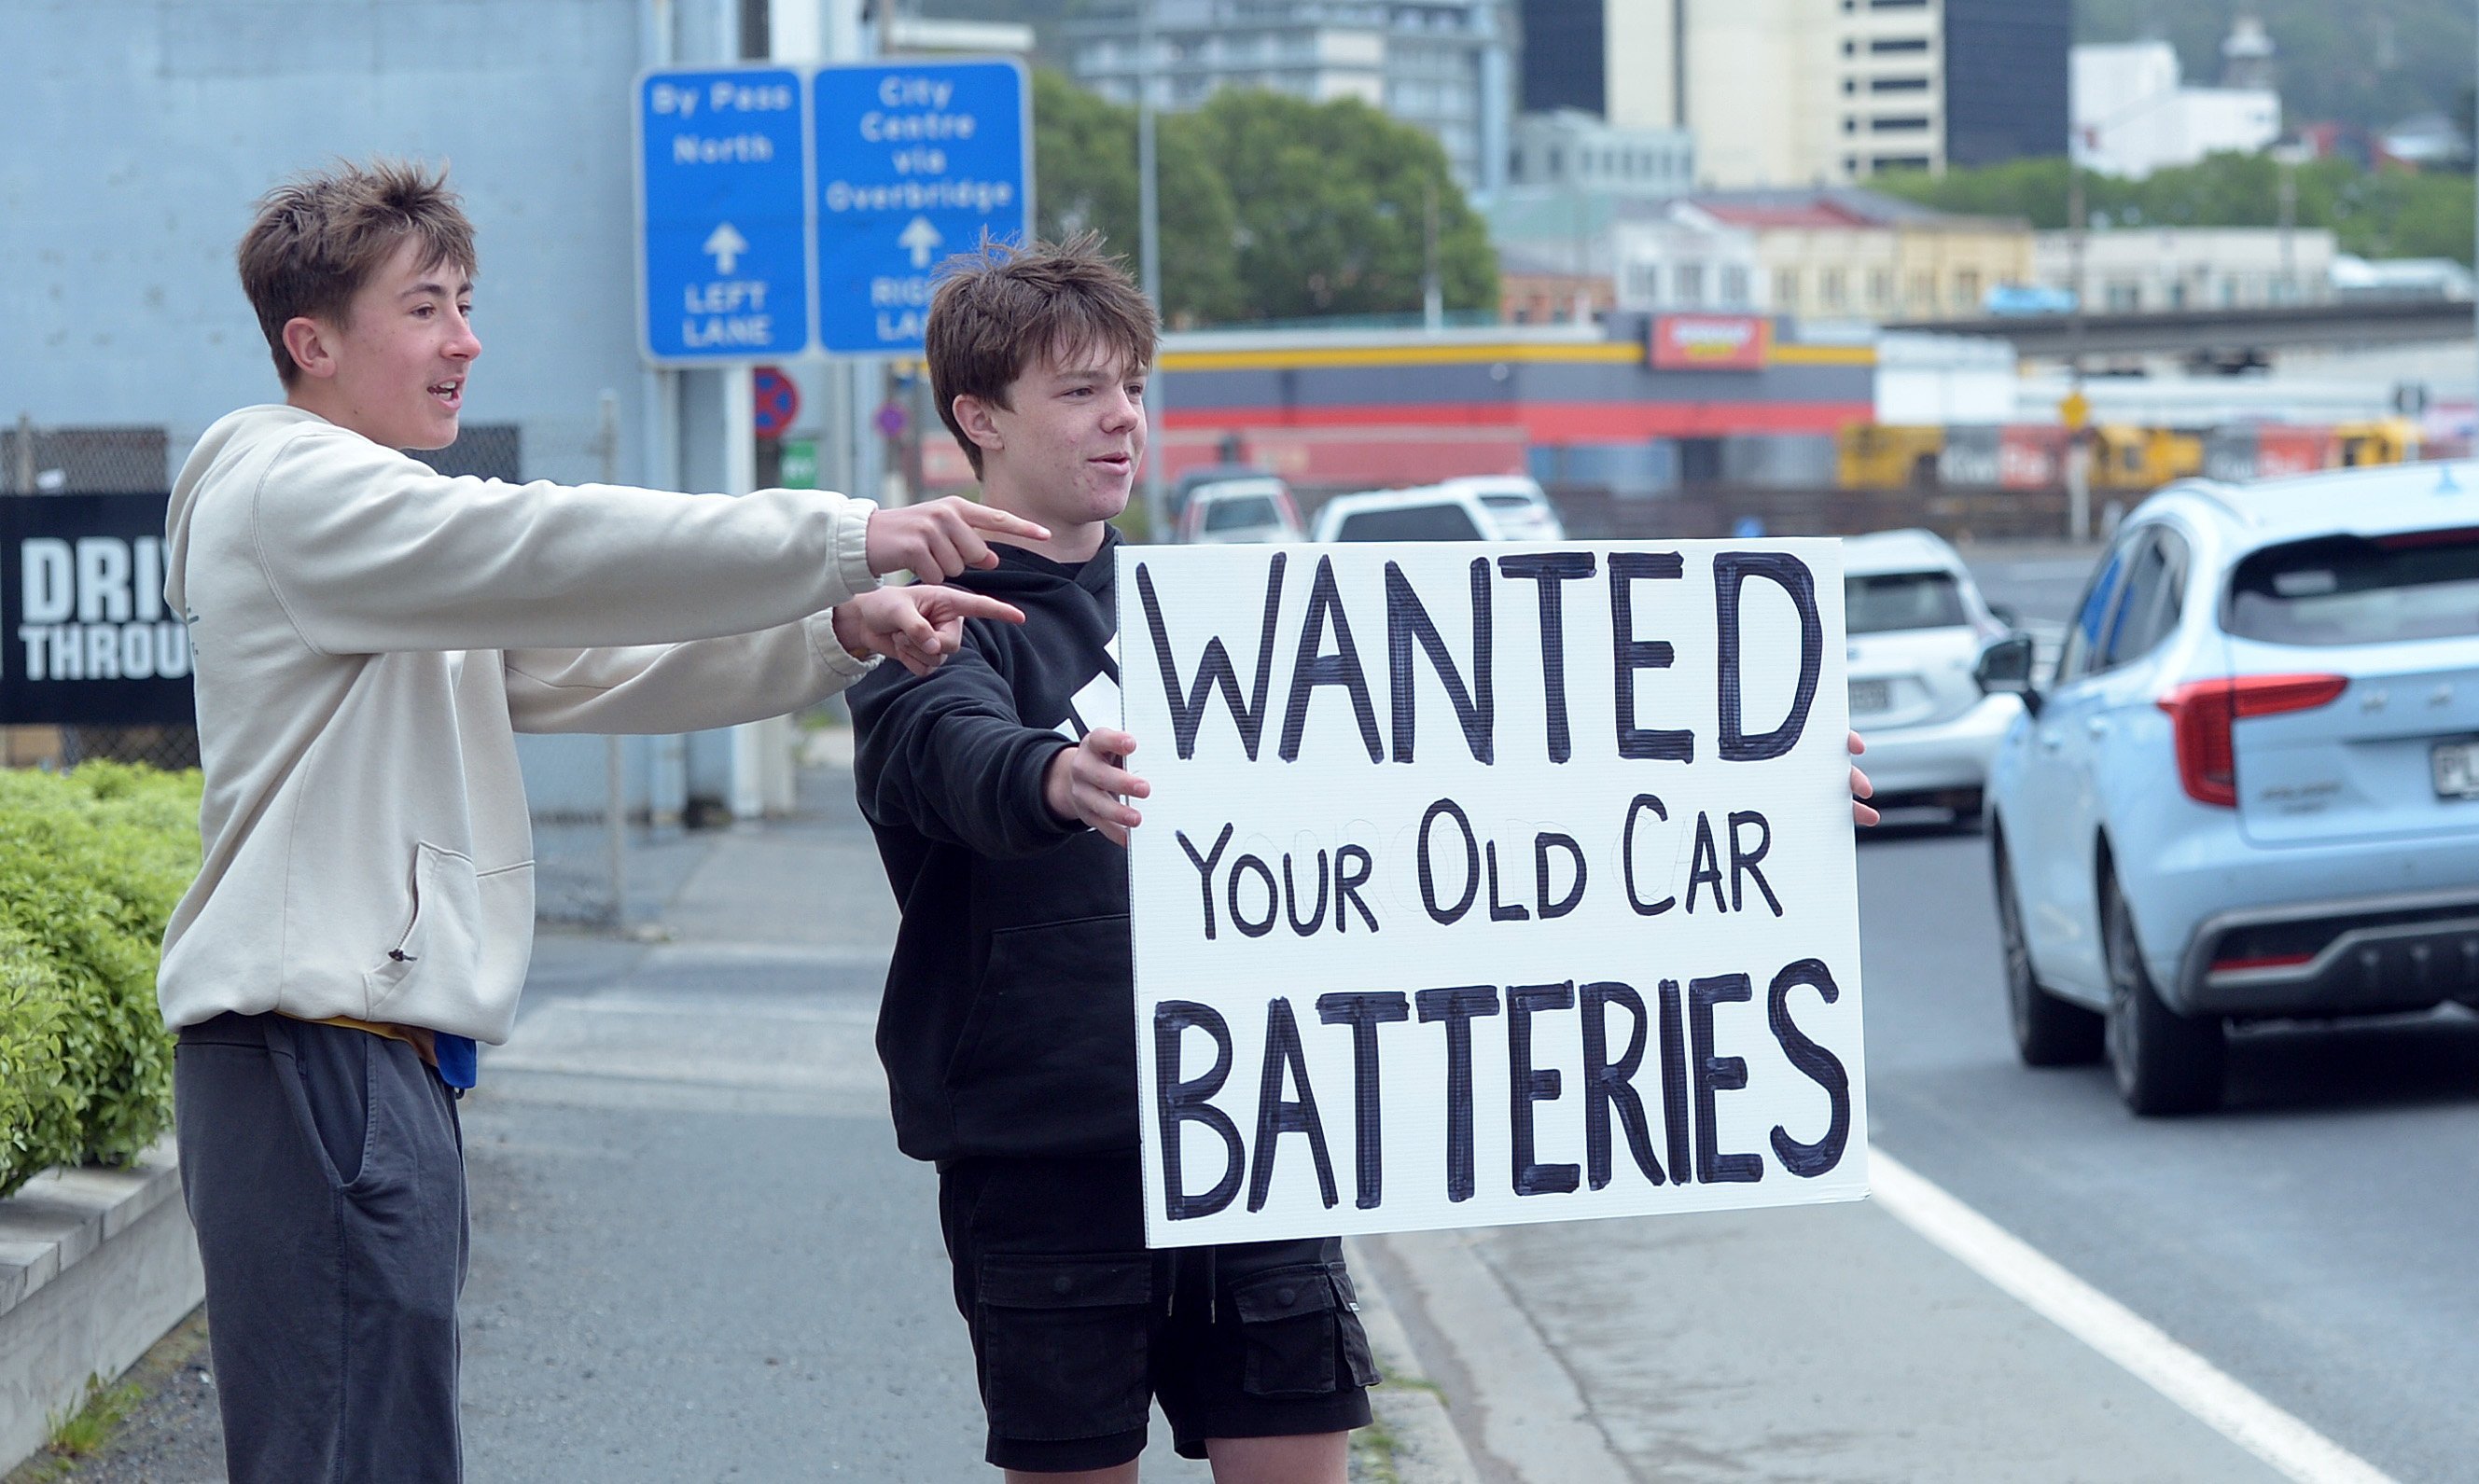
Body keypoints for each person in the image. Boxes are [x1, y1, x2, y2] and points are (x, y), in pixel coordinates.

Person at [848, 236, 1884, 1483]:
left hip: (1262, 1128)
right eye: (1079, 392)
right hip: (1050, 1146)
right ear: (979, 416)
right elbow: (938, 745)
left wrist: (1760, 779)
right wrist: (1050, 777)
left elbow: (1496, 773)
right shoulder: (924, 619)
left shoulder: (1231, 618)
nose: (1122, 419)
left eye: (1132, 386)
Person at [160, 158, 1041, 1484]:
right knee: (354, 1458)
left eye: (467, 301)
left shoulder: (376, 539)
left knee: (377, 1451)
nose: (466, 339)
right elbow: (552, 545)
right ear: (313, 341)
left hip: (358, 1066)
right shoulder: (304, 493)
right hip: (316, 1066)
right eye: (425, 308)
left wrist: (832, 630)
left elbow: (586, 661)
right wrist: (851, 537)